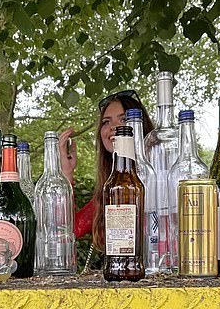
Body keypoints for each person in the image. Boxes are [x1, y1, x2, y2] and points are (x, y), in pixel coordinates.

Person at [59, 90, 154, 251]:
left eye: (123, 119)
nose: (112, 127)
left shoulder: (159, 175)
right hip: (121, 273)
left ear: (140, 125)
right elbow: (68, 231)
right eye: (106, 122)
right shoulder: (110, 189)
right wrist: (67, 174)